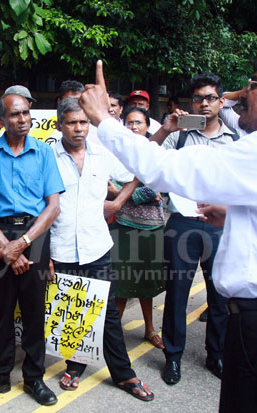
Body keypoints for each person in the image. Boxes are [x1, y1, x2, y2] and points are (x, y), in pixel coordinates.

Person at [79, 43, 257, 413]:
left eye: (255, 85)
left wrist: (104, 121)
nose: (242, 95)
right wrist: (241, 215)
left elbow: (164, 170)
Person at [51, 98, 154, 401]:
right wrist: (43, 255)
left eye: (83, 122)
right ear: (59, 125)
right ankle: (75, 365)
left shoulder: (102, 154)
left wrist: (120, 200)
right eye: (72, 122)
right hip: (60, 249)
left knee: (107, 313)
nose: (79, 128)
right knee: (72, 312)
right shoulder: (47, 156)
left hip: (96, 247)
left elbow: (138, 169)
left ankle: (124, 374)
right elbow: (38, 207)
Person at [0, 93, 64, 406]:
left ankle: (34, 378)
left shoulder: (44, 153)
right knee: (0, 311)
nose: (22, 120)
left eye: (25, 113)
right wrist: (5, 246)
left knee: (34, 312)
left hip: (34, 235)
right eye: (14, 115)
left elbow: (52, 207)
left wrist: (22, 244)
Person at [150, 73, 238, 385]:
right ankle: (172, 357)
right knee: (176, 293)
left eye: (210, 97)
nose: (204, 103)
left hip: (221, 226)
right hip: (182, 224)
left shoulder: (234, 139)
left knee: (220, 294)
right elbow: (147, 160)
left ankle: (216, 353)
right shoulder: (180, 137)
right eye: (198, 98)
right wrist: (165, 129)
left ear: (222, 102)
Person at [111, 106, 165, 350]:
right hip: (122, 226)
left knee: (147, 283)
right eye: (129, 123)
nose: (133, 127)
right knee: (121, 283)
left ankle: (150, 329)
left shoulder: (156, 153)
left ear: (147, 127)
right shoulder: (116, 153)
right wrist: (126, 192)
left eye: (138, 123)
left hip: (152, 229)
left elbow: (154, 189)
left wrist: (122, 192)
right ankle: (114, 333)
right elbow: (107, 184)